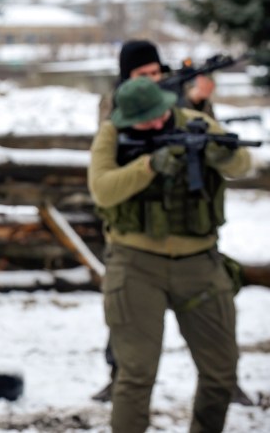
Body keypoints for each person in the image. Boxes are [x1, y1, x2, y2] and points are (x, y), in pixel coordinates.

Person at [88, 77, 251, 432]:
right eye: (144, 120)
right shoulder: (112, 134)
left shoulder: (196, 122)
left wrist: (222, 155)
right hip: (135, 264)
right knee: (135, 375)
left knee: (221, 371)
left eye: (159, 114)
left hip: (199, 263)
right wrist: (148, 166)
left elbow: (243, 164)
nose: (156, 123)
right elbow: (102, 190)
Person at [92, 39, 218, 403]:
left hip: (185, 218)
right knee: (127, 317)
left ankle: (222, 378)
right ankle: (119, 375)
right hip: (134, 224)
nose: (151, 81)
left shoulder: (178, 94)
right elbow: (122, 139)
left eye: (155, 74)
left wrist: (196, 102)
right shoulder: (116, 102)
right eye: (141, 75)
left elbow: (208, 137)